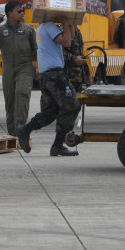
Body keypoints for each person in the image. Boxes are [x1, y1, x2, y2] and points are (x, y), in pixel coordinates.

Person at [16, 12, 79, 156]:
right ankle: (57, 145)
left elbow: (71, 36)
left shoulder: (42, 27)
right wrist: (64, 22)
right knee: (72, 106)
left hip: (46, 76)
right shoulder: (49, 26)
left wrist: (68, 23)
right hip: (55, 76)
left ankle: (26, 129)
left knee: (50, 112)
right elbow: (67, 42)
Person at [0, 1, 37, 134]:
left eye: (22, 11)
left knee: (22, 94)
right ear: (10, 14)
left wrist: (39, 70)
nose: (22, 13)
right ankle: (12, 133)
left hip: (24, 67)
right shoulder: (1, 30)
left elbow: (35, 51)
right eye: (19, 11)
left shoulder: (28, 30)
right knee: (10, 101)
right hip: (8, 68)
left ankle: (21, 129)